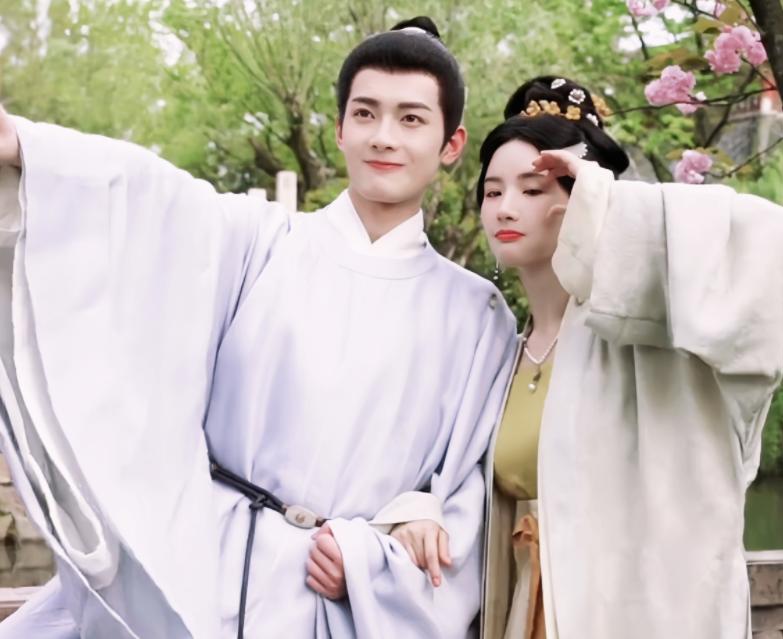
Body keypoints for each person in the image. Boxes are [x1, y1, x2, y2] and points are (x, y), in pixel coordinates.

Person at [0, 17, 515, 639]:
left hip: (342, 601)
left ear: (451, 144)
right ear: (339, 128)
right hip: (212, 575)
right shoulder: (259, 240)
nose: (383, 137)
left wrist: (373, 560)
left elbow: (470, 497)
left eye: (411, 119)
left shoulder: (476, 314)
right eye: (365, 113)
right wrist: (25, 148)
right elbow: (147, 200)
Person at [475, 76, 783, 638]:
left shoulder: (645, 337)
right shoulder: (499, 348)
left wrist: (612, 205)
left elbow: (772, 232)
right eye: (492, 191)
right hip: (526, 611)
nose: (506, 208)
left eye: (533, 190)